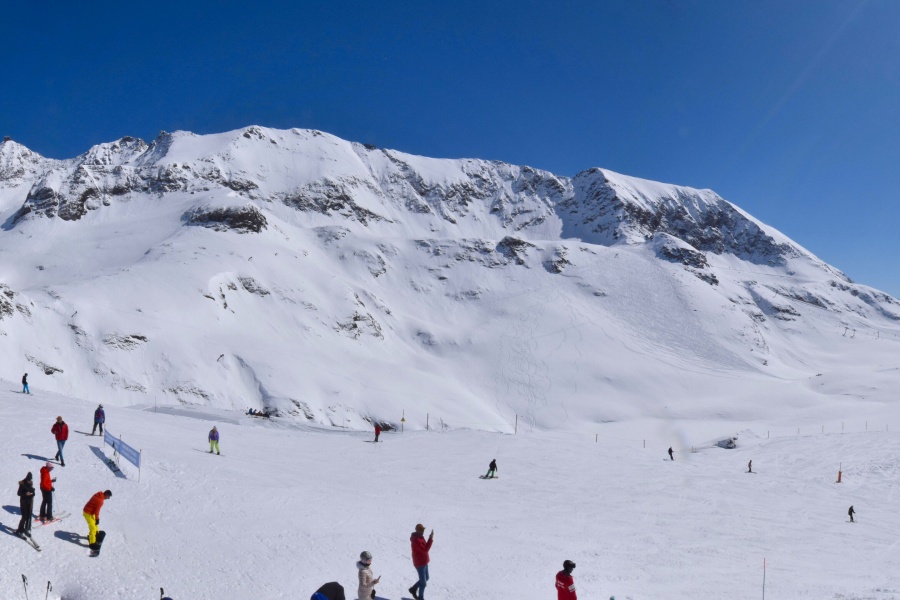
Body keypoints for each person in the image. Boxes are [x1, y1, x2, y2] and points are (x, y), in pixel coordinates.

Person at [409, 523, 433, 600]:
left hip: (424, 561)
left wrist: (429, 539)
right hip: (420, 563)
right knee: (423, 583)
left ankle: (413, 589)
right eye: (421, 530)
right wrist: (430, 539)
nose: (423, 531)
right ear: (417, 530)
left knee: (426, 578)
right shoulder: (416, 540)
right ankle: (420, 598)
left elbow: (425, 548)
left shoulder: (420, 537)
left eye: (423, 530)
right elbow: (425, 550)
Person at [16, 472, 35, 537]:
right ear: (26, 478)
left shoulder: (30, 484)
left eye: (30, 480)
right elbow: (18, 493)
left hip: (29, 502)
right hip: (23, 502)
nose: (29, 481)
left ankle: (26, 529)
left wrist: (32, 493)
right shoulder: (22, 484)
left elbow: (33, 492)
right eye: (28, 480)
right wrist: (25, 494)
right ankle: (20, 530)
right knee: (24, 516)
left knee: (28, 516)